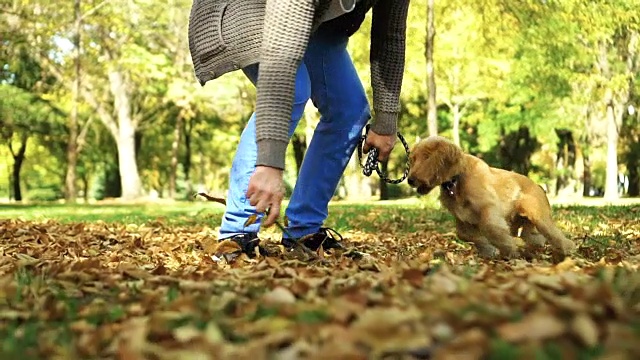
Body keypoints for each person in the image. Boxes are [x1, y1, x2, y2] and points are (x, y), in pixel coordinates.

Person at [188, 0, 410, 256]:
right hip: (248, 10)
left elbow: (390, 37)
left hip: (320, 22)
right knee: (293, 89)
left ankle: (303, 229)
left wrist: (385, 121)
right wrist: (269, 163)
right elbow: (281, 58)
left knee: (349, 108)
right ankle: (236, 234)